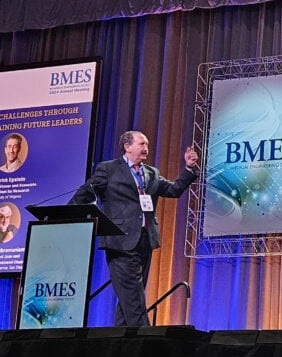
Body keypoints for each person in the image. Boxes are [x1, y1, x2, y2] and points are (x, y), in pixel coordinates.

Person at [70, 130, 200, 327]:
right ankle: (145, 337)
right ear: (127, 146)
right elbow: (86, 192)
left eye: (147, 144)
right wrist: (67, 213)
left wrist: (189, 169)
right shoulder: (109, 169)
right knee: (132, 294)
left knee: (130, 296)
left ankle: (121, 341)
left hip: (145, 240)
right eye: (141, 144)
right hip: (120, 241)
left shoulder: (151, 173)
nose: (146, 148)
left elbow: (173, 190)